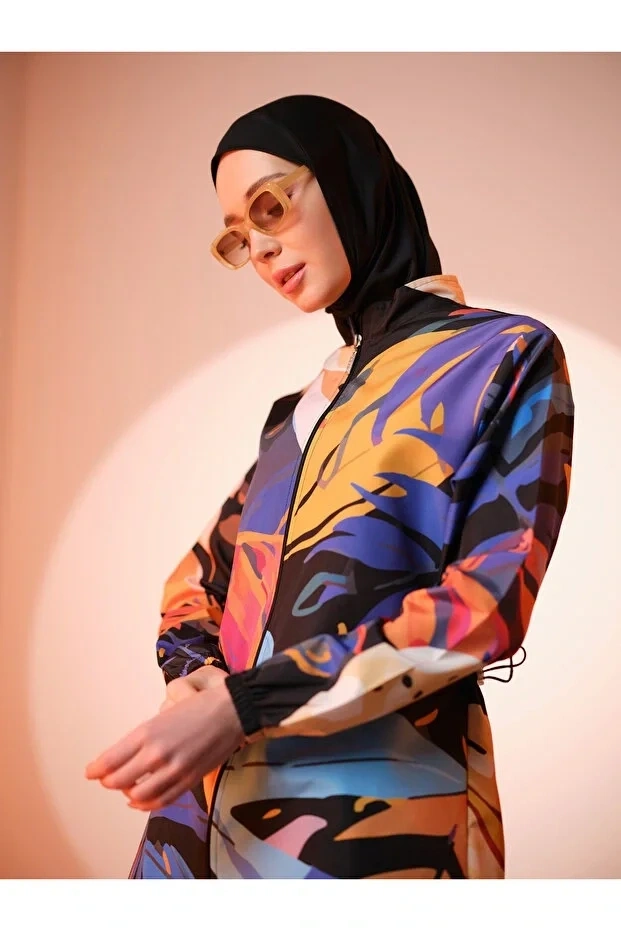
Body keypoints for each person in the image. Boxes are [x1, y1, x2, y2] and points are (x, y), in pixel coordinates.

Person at [86, 94, 574, 880]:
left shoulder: (501, 357)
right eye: (239, 236)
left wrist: (243, 705)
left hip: (371, 817)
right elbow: (199, 581)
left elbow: (485, 602)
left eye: (269, 206)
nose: (262, 248)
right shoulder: (299, 412)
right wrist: (194, 681)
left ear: (350, 177)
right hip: (199, 813)